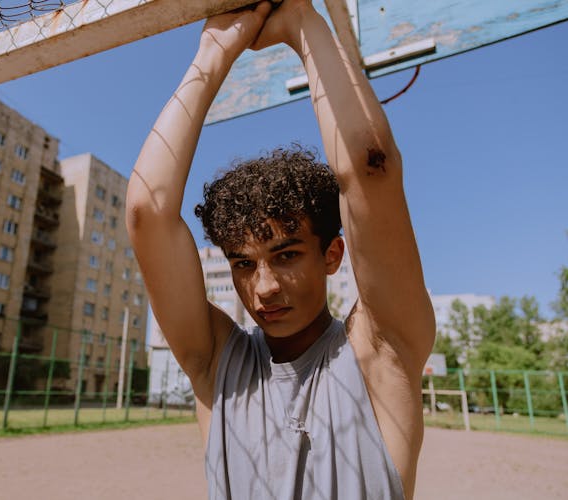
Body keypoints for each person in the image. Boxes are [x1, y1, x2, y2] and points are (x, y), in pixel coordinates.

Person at [125, 1, 435, 498]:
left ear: (331, 256)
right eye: (244, 264)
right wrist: (215, 50)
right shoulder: (217, 364)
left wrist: (301, 22)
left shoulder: (380, 352)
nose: (263, 287)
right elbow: (147, 210)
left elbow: (370, 167)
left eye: (287, 255)